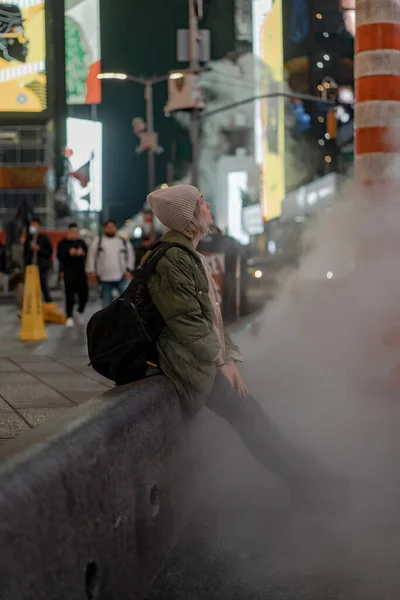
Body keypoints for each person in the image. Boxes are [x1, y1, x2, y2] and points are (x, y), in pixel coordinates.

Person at [144, 184, 343, 510]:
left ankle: (310, 476)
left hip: (200, 360)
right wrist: (222, 362)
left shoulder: (188, 254)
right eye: (202, 202)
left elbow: (214, 316)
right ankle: (308, 481)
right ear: (190, 215)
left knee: (252, 413)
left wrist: (229, 357)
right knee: (249, 416)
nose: (209, 207)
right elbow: (189, 324)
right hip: (186, 363)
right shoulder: (173, 259)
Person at [86, 219, 135, 308]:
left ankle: (126, 319)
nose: (110, 229)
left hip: (122, 275)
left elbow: (130, 255)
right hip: (104, 277)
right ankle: (107, 321)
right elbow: (91, 256)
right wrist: (91, 271)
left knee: (126, 301)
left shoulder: (123, 241)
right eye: (108, 227)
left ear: (116, 228)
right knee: (106, 303)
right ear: (104, 228)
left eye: (112, 226)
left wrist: (129, 269)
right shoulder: (98, 241)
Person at [57, 223, 89, 328]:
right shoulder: (62, 243)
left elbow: (87, 254)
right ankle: (69, 316)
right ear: (68, 231)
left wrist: (82, 253)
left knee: (84, 294)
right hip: (68, 272)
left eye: (76, 232)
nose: (75, 234)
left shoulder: (81, 242)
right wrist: (69, 253)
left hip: (81, 272)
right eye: (72, 232)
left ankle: (80, 311)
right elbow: (60, 256)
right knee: (69, 295)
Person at [24, 217, 53, 303]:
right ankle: (32, 306)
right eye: (31, 225)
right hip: (31, 267)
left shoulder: (44, 238)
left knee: (43, 285)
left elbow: (49, 252)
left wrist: (39, 249)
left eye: (34, 225)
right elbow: (25, 254)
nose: (32, 227)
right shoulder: (28, 239)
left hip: (42, 266)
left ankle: (49, 303)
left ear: (39, 226)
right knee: (30, 287)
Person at [9, 228, 26, 316]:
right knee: (20, 294)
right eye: (23, 235)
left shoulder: (31, 246)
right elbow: (16, 260)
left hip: (30, 274)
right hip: (19, 275)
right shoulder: (15, 247)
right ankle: (20, 310)